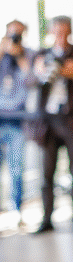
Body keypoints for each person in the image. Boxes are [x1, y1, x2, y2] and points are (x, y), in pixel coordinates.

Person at [27, 16, 73, 233]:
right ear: (51, 32)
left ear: (70, 31)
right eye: (57, 32)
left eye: (65, 32)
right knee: (46, 174)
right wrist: (38, 72)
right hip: (48, 123)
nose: (61, 36)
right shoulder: (41, 55)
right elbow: (29, 82)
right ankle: (47, 219)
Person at [0, 20, 29, 222]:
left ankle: (16, 210)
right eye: (12, 33)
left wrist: (18, 54)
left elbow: (31, 78)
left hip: (18, 120)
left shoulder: (28, 54)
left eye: (18, 33)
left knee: (16, 168)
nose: (14, 37)